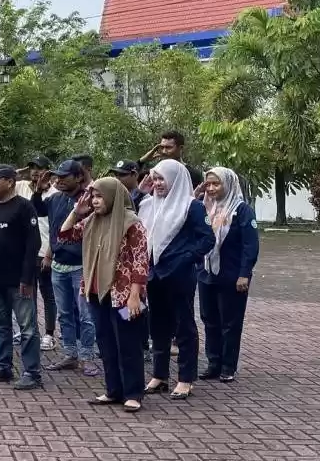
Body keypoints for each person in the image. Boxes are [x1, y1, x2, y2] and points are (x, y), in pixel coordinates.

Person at [59, 177, 149, 413]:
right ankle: (113, 390)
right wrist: (76, 212)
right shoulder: (92, 220)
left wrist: (135, 295)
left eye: (99, 196)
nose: (95, 201)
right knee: (106, 343)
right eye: (93, 196)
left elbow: (141, 261)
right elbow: (65, 236)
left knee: (128, 344)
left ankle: (133, 394)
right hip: (97, 292)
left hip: (125, 295)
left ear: (112, 196)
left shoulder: (131, 223)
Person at [140, 159, 214, 401]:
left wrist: (185, 257)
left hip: (179, 275)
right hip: (154, 274)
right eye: (155, 179)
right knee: (158, 326)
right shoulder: (150, 203)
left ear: (175, 179)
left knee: (183, 326)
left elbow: (207, 239)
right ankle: (160, 375)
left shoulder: (191, 206)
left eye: (162, 179)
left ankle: (186, 378)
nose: (158, 183)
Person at [0, 164, 43, 390]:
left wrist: (27, 278)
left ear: (9, 181)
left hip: (18, 281)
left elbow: (33, 244)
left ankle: (32, 372)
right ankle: (3, 366)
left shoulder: (24, 207)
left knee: (27, 328)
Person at [34, 159, 99, 377]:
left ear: (79, 177)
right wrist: (38, 190)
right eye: (57, 176)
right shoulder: (55, 198)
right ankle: (70, 354)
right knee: (64, 314)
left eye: (64, 176)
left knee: (86, 315)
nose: (59, 180)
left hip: (82, 264)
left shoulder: (89, 199)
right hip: (58, 264)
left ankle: (87, 357)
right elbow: (38, 210)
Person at [198, 166, 259, 383]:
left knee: (230, 323)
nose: (211, 188)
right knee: (209, 319)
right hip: (207, 274)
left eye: (216, 184)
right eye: (208, 184)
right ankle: (213, 363)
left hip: (232, 276)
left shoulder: (241, 210)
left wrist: (244, 274)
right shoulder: (206, 207)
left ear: (229, 184)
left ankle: (228, 366)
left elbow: (250, 246)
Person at [15, 157, 57, 351]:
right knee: (26, 294)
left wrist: (49, 253)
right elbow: (1, 181)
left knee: (47, 294)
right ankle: (29, 330)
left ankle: (49, 334)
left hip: (45, 251)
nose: (35, 171)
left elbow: (56, 228)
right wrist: (19, 171)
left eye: (40, 168)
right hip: (25, 251)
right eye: (32, 167)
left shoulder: (55, 194)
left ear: (48, 171)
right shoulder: (21, 186)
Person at [139, 130, 204, 188]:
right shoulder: (154, 172)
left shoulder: (193, 175)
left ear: (180, 148)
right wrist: (142, 160)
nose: (164, 151)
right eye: (162, 147)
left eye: (168, 147)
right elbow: (133, 177)